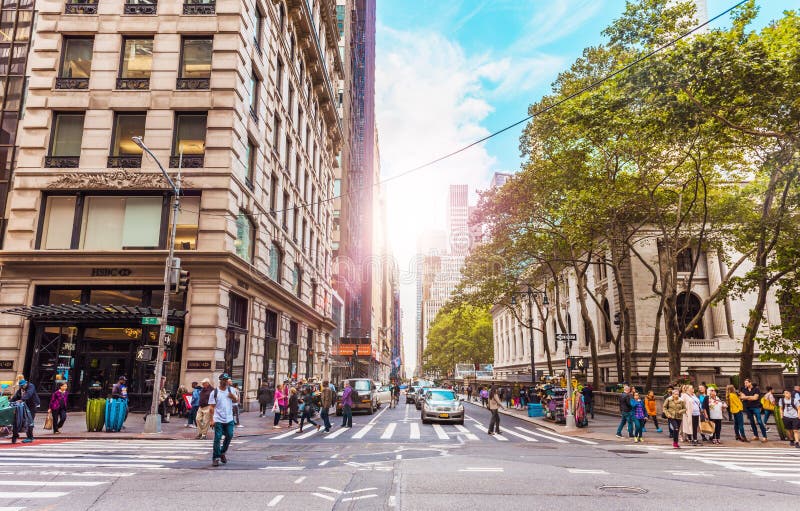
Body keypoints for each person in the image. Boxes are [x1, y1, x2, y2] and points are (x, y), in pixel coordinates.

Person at [209, 373, 238, 467]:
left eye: (227, 380)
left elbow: (236, 400)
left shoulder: (231, 390)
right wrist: (211, 420)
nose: (226, 382)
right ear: (220, 380)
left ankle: (222, 452)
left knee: (229, 435)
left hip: (229, 418)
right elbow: (211, 407)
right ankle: (216, 458)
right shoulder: (215, 392)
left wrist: (232, 396)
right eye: (224, 380)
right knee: (217, 438)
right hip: (218, 419)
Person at [10, 379, 39, 443]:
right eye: (21, 386)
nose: (22, 387)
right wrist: (9, 402)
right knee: (18, 420)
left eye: (23, 385)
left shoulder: (31, 386)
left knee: (29, 421)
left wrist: (22, 399)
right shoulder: (21, 389)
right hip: (23, 406)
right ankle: (16, 435)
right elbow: (16, 397)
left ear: (26, 383)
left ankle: (30, 437)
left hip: (32, 406)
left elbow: (29, 394)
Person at [739, 378, 768, 442]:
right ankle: (756, 435)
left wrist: (746, 397)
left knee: (759, 421)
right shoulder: (744, 389)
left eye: (746, 383)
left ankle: (765, 436)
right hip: (748, 407)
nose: (745, 384)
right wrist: (750, 397)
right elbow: (742, 397)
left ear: (750, 383)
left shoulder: (756, 389)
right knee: (752, 422)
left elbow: (755, 398)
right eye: (745, 383)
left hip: (756, 407)